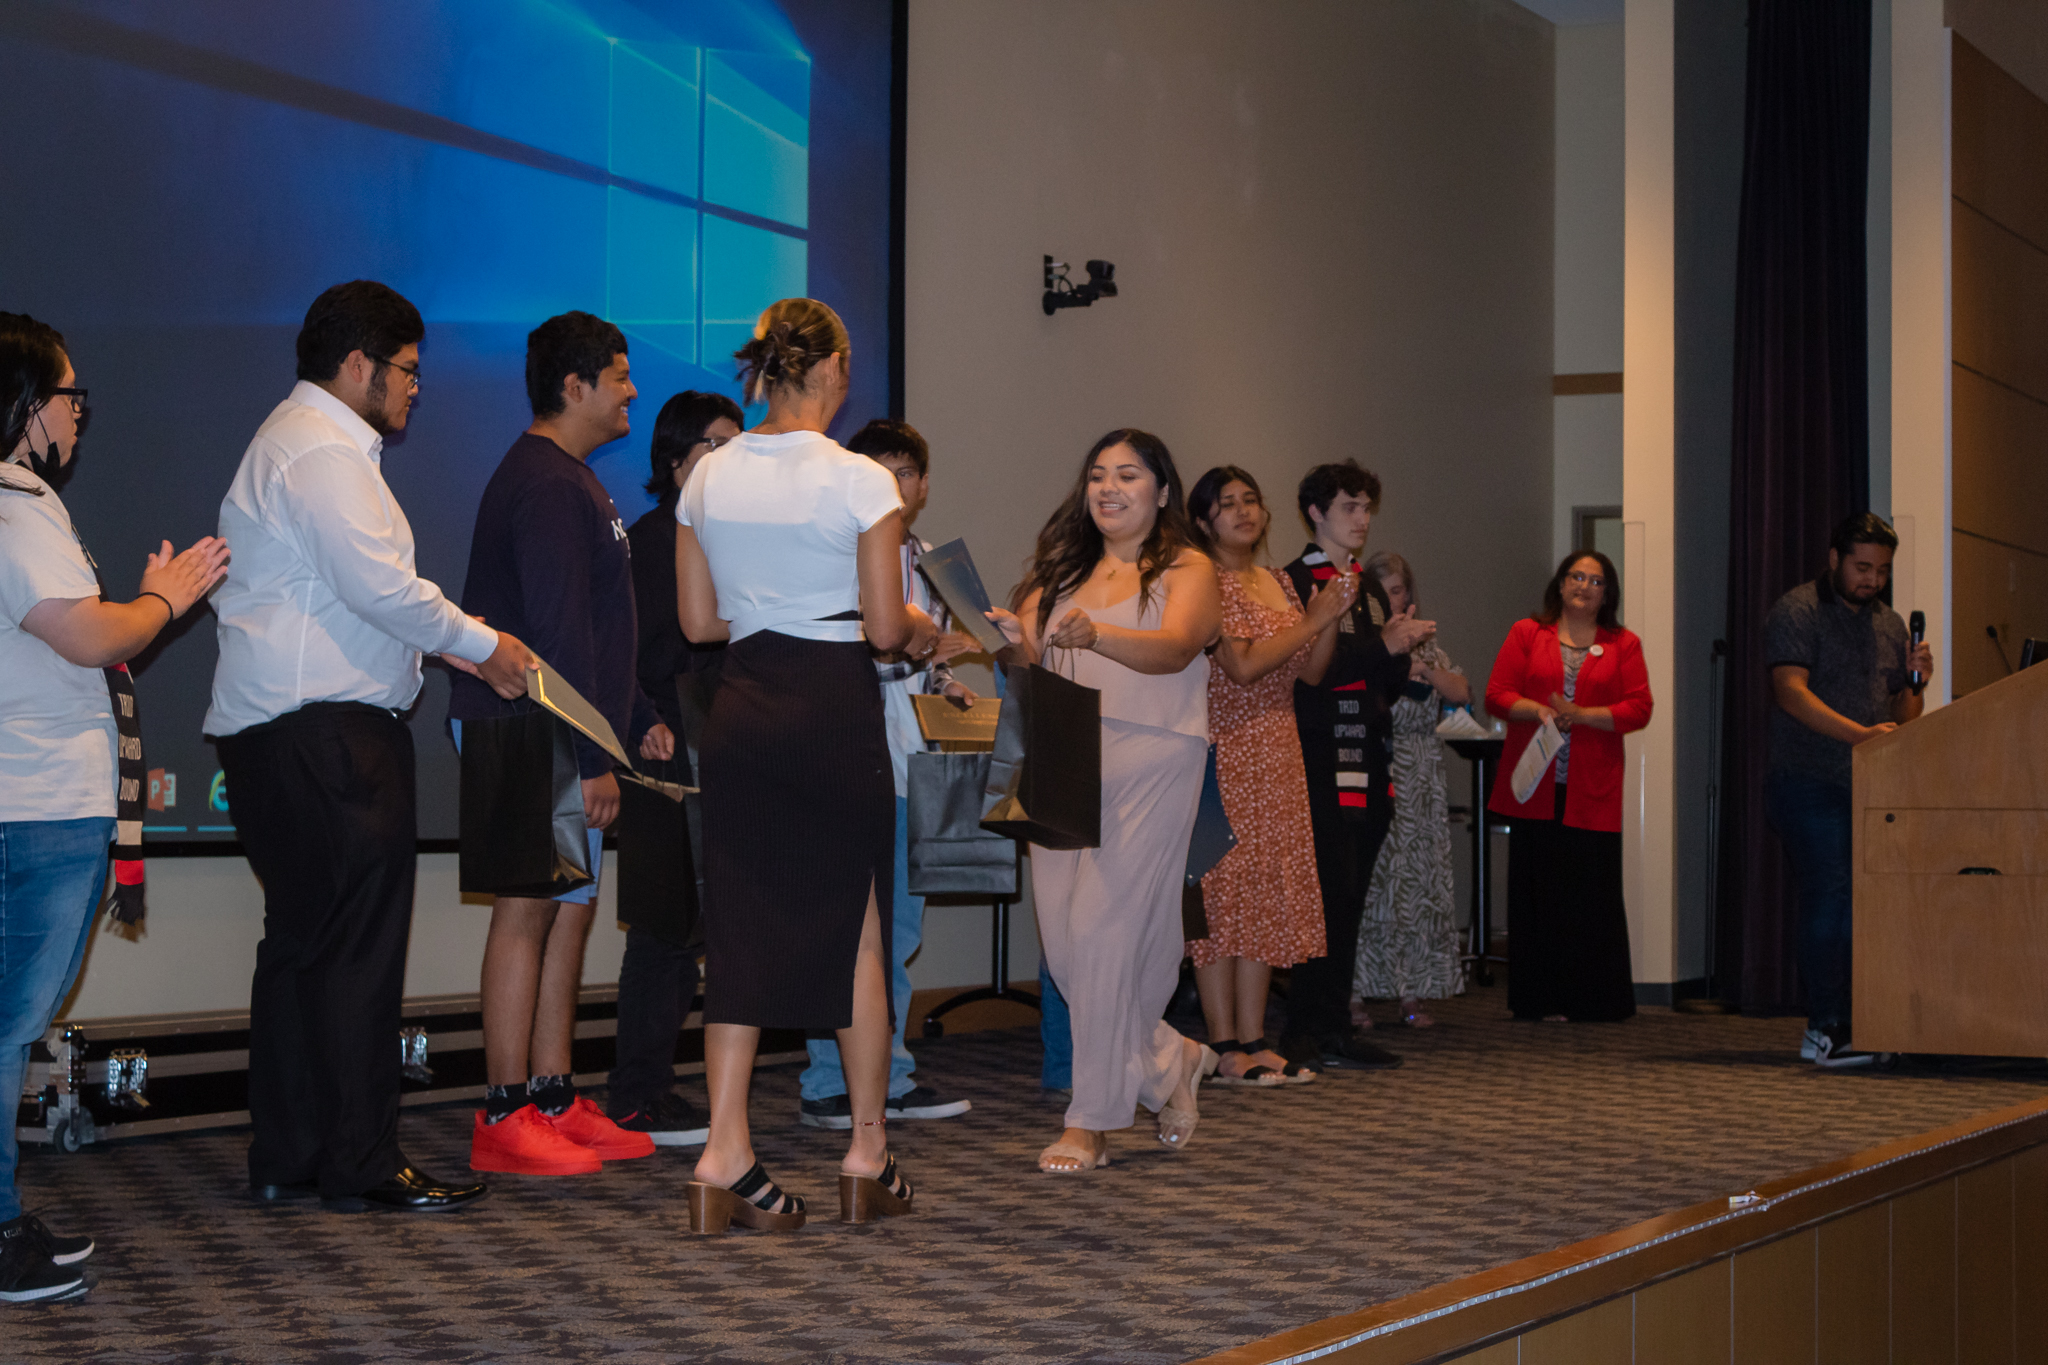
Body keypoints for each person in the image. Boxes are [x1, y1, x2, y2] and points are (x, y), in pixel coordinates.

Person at [208, 280, 532, 1214]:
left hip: (283, 731)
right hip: (330, 734)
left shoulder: (294, 441)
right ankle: (360, 1158)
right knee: (356, 950)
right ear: (359, 366)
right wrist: (486, 645)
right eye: (408, 371)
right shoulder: (320, 451)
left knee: (304, 944)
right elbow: (381, 589)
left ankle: (292, 1152)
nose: (416, 389)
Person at [674, 297, 937, 1232]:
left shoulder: (706, 476)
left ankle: (724, 1151)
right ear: (829, 369)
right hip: (831, 704)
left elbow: (699, 624)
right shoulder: (864, 480)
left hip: (741, 707)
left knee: (737, 927)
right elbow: (883, 628)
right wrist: (928, 630)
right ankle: (866, 1152)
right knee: (858, 928)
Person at [0, 314, 227, 1303]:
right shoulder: (14, 504)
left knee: (12, 1024)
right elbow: (89, 636)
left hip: (36, 800)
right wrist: (166, 597)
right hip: (33, 807)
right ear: (22, 403)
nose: (78, 415)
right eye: (69, 397)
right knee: (8, 1025)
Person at [450, 311, 671, 1175]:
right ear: (574, 386)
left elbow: (603, 630)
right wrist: (591, 757)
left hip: (566, 730)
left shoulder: (576, 480)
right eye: (619, 374)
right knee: (526, 910)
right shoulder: (544, 481)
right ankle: (503, 1111)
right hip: (525, 730)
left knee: (567, 914)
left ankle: (551, 1095)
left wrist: (641, 708)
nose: (632, 391)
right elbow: (552, 632)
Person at [990, 428, 1223, 1174]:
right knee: (1064, 945)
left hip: (1154, 749)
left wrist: (1101, 636)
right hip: (1063, 751)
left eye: (1127, 474)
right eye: (1097, 474)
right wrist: (1002, 641)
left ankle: (1088, 1120)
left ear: (1161, 490)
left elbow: (1180, 645)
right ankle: (1170, 1059)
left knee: (1100, 929)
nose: (1108, 488)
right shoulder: (1058, 571)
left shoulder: (1189, 565)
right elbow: (1032, 660)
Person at [799, 418, 978, 1130]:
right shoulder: (838, 555)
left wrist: (944, 678)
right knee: (844, 928)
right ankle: (829, 1081)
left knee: (900, 928)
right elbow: (866, 653)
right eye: (877, 471)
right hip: (845, 759)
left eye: (904, 472)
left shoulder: (933, 563)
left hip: (910, 765)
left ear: (923, 485)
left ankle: (886, 1072)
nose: (893, 485)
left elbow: (910, 666)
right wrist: (918, 646)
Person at [607, 390, 743, 1147]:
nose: (731, 461)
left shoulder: (735, 540)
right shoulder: (654, 540)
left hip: (724, 743)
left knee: (703, 931)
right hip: (665, 746)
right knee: (664, 929)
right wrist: (646, 721)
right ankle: (637, 1093)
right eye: (715, 447)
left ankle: (661, 1083)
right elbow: (636, 653)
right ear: (675, 460)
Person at [1185, 466, 1349, 1085]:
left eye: (1251, 500)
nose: (1243, 513)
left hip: (1279, 752)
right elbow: (1244, 666)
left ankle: (1255, 1038)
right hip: (1225, 750)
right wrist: (1314, 619)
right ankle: (1224, 1041)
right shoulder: (1204, 582)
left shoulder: (1279, 580)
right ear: (1204, 520)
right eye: (1226, 505)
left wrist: (1329, 614)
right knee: (1224, 894)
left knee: (1265, 897)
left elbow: (1310, 673)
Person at [1277, 461, 1432, 1072]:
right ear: (1316, 513)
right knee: (1322, 895)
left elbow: (1379, 680)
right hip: (1317, 755)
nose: (1361, 520)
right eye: (1349, 507)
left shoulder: (1366, 585)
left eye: (1367, 508)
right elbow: (1306, 678)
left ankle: (1335, 1024)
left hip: (1368, 754)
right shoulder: (1292, 582)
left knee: (1351, 895)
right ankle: (1304, 1030)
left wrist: (1399, 651)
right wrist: (1381, 649)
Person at [1763, 513, 1926, 1068]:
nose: (1871, 580)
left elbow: (1901, 714)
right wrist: (1860, 737)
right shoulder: (1798, 609)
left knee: (1869, 904)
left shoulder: (1890, 624)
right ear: (1834, 559)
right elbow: (1790, 692)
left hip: (1871, 787)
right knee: (1831, 894)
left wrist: (1913, 683)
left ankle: (1865, 1021)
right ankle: (1826, 1028)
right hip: (1806, 778)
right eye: (1861, 567)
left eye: (1881, 571)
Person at [1484, 550, 1653, 1023]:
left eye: (1595, 581)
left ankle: (1594, 1000)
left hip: (1591, 790)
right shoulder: (1527, 633)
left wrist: (1584, 717)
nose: (1584, 586)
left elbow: (1639, 709)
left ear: (1608, 594)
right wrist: (1539, 711)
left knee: (1590, 897)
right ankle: (1540, 1000)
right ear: (1559, 585)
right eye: (1575, 577)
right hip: (1536, 785)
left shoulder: (1624, 644)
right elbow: (1497, 695)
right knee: (1538, 895)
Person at [1353, 551, 1469, 1028]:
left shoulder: (1428, 645)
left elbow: (1462, 692)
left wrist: (1421, 670)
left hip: (1421, 776)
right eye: (1383, 592)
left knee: (1417, 888)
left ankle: (1411, 994)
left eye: (1399, 590)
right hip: (1379, 765)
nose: (1394, 599)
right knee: (1372, 886)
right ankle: (1355, 994)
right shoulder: (1361, 645)